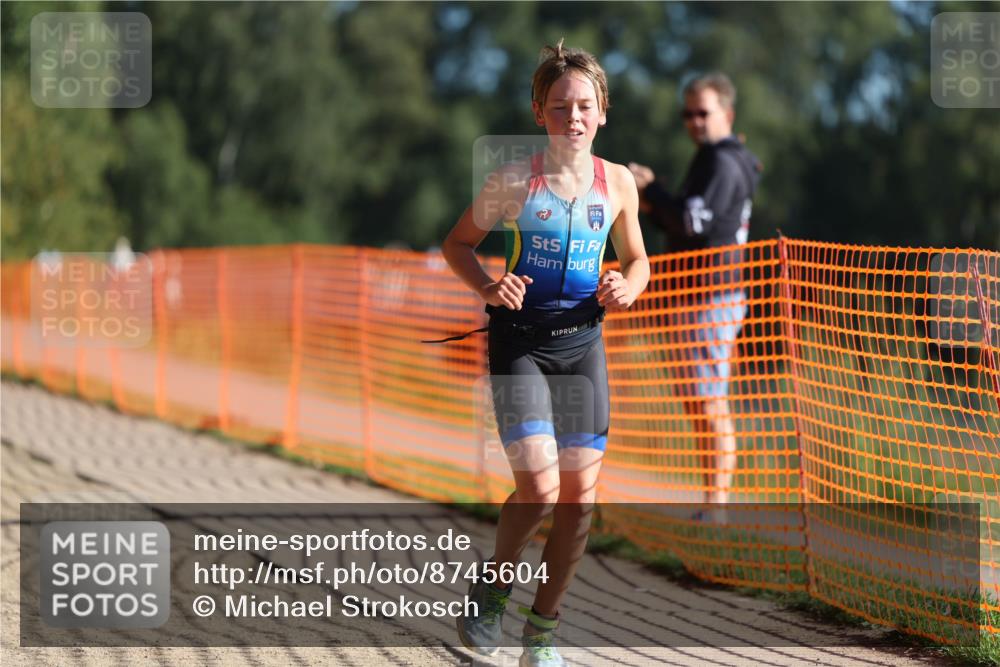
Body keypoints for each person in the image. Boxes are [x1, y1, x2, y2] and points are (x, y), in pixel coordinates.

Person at [442, 40, 649, 667]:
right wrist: (488, 284)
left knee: (578, 500)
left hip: (583, 347)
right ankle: (493, 592)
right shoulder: (511, 182)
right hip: (522, 345)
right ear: (540, 112)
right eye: (561, 107)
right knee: (537, 486)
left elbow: (638, 261)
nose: (574, 117)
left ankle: (544, 629)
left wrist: (628, 287)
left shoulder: (616, 184)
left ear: (604, 111)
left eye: (585, 105)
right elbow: (457, 245)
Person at [628, 72, 761, 517]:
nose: (694, 121)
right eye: (688, 113)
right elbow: (685, 223)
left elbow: (692, 222)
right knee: (698, 399)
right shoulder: (712, 158)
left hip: (710, 297)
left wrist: (652, 190)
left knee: (708, 400)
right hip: (696, 296)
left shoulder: (722, 161)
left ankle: (717, 504)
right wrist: (652, 201)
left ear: (727, 113)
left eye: (703, 112)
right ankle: (712, 501)